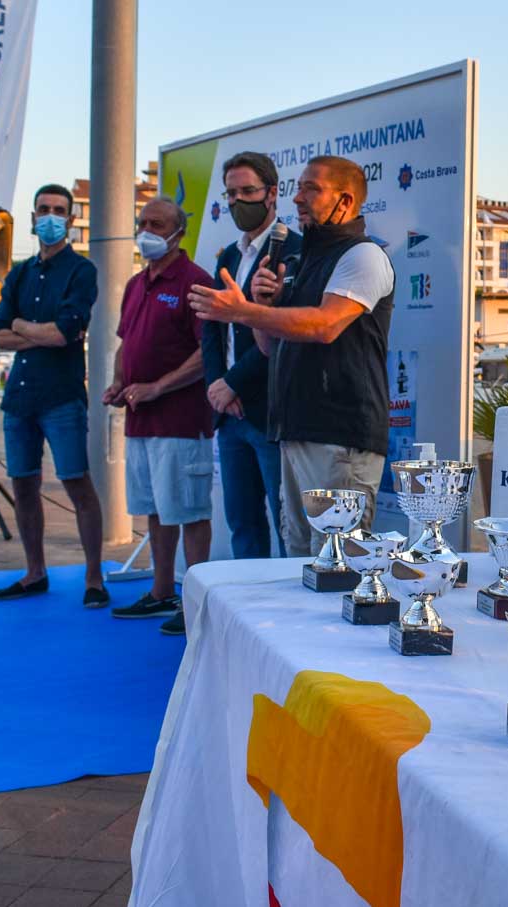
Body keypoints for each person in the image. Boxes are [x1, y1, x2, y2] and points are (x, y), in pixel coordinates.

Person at [187, 155, 394, 555]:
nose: (297, 198)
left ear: (345, 201)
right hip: (295, 430)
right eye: (298, 188)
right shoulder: (301, 261)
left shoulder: (363, 256)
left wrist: (244, 310)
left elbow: (324, 325)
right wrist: (267, 307)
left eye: (311, 189)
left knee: (336, 566)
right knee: (297, 561)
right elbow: (269, 347)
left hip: (340, 436)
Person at [0, 183, 107, 606]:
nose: (51, 216)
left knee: (77, 483)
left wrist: (21, 325)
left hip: (62, 395)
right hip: (19, 398)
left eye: (59, 210)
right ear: (33, 216)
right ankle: (34, 572)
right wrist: (33, 330)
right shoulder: (19, 273)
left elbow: (65, 333)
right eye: (44, 209)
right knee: (22, 485)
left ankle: (94, 578)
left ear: (71, 220)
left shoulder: (82, 271)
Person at [102, 198, 218, 635]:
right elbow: (124, 344)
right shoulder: (136, 284)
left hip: (182, 421)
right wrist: (119, 382)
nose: (146, 230)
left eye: (157, 224)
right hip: (139, 422)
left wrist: (158, 386)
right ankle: (161, 589)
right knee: (155, 509)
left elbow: (206, 354)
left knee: (189, 511)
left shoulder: (195, 281)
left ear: (178, 233)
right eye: (142, 222)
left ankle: (197, 602)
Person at [201, 152, 301, 559]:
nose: (238, 201)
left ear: (272, 193)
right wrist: (216, 387)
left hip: (270, 413)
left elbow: (281, 333)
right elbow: (211, 326)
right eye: (231, 193)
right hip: (230, 415)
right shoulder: (228, 254)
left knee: (286, 527)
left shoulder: (294, 252)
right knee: (242, 523)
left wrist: (233, 383)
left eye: (247, 191)